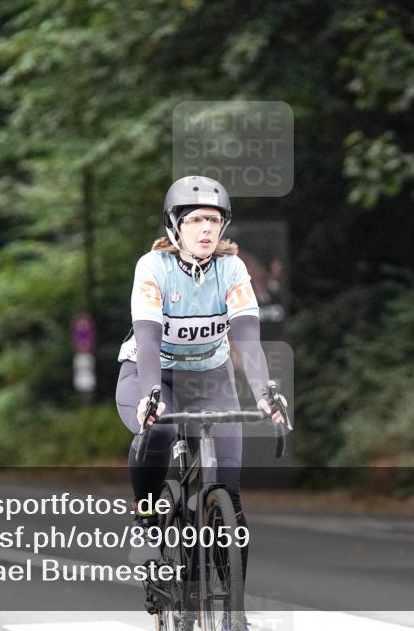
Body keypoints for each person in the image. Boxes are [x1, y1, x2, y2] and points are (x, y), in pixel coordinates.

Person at [115, 176, 288, 631]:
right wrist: (150, 394)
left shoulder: (231, 271)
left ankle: (235, 613)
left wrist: (267, 393)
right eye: (195, 220)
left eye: (214, 220)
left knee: (229, 494)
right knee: (163, 428)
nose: (207, 229)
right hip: (151, 371)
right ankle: (149, 523)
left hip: (210, 376)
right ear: (175, 227)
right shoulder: (153, 267)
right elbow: (150, 339)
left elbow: (249, 341)